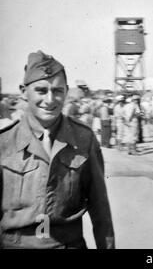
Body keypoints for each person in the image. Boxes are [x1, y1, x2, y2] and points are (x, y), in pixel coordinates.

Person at [0, 50, 114, 249]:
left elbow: (100, 210)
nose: (50, 99)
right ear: (23, 92)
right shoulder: (5, 142)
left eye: (58, 90)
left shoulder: (84, 139)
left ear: (67, 91)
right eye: (42, 90)